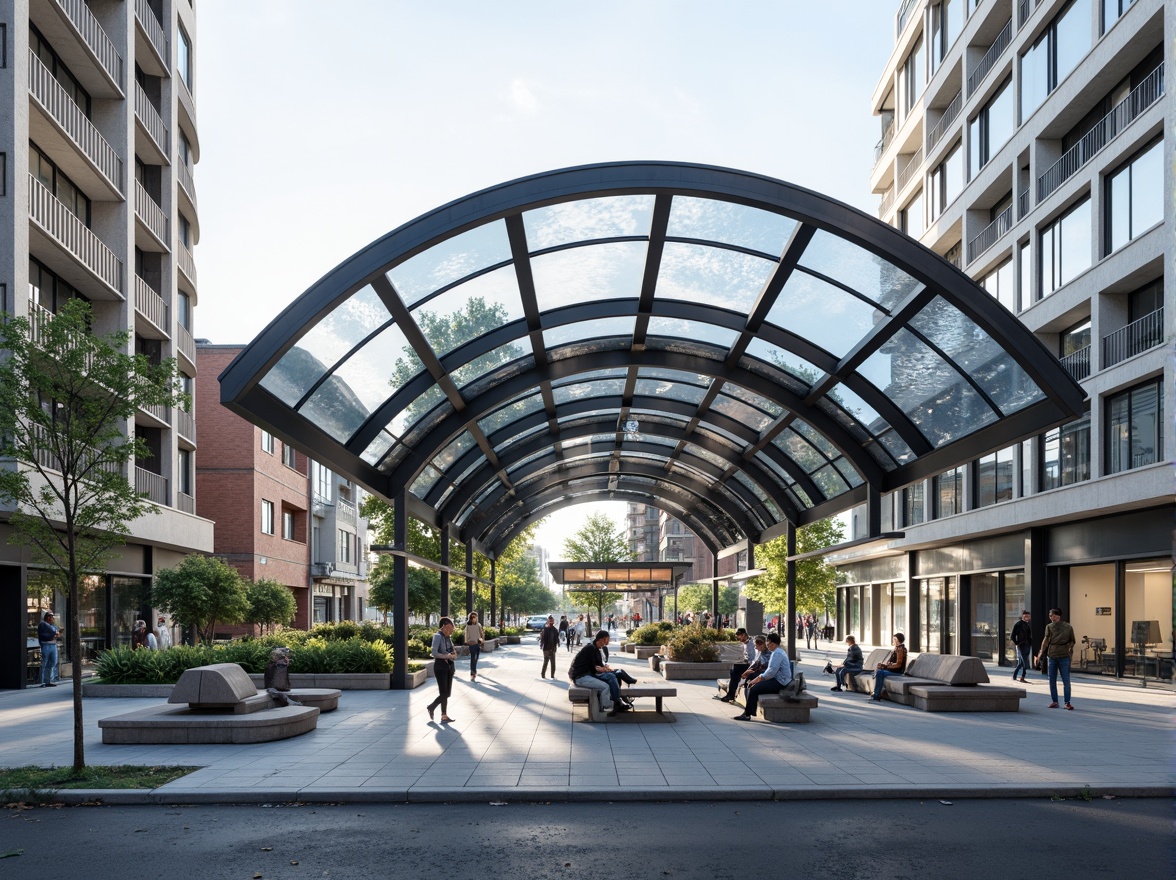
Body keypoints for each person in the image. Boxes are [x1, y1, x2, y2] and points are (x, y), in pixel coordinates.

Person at [735, 632, 791, 720]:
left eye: (768, 642)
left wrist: (758, 679)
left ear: (772, 643)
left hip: (779, 682)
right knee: (753, 686)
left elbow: (771, 671)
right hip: (778, 680)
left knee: (754, 689)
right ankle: (749, 712)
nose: (767, 645)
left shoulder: (777, 653)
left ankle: (747, 714)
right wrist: (759, 678)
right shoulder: (778, 651)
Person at [569, 630, 624, 716]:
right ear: (601, 639)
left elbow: (598, 665)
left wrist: (605, 668)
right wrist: (602, 669)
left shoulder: (597, 649)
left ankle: (617, 701)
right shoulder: (590, 648)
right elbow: (593, 667)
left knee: (613, 675)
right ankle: (608, 707)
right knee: (605, 686)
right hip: (581, 677)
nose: (608, 641)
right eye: (607, 639)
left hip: (589, 674)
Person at [1035, 608, 1075, 710]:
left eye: (1052, 615)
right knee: (1058, 680)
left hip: (1059, 656)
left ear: (1057, 616)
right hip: (1055, 655)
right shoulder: (1051, 627)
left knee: (1059, 680)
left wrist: (1068, 648)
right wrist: (1040, 653)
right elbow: (1046, 640)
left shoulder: (1066, 627)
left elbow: (1046, 641)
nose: (1050, 617)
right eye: (1050, 615)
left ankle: (1063, 702)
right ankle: (1060, 702)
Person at [427, 617, 458, 723]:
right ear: (444, 626)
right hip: (440, 667)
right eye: (451, 627)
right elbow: (434, 653)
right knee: (443, 692)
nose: (452, 629)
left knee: (447, 693)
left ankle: (443, 715)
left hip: (449, 666)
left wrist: (453, 655)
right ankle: (432, 707)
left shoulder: (448, 638)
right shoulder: (437, 636)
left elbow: (451, 651)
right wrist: (446, 656)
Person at [716, 628, 755, 703]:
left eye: (739, 636)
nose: (738, 638)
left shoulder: (751, 644)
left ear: (744, 635)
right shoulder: (743, 644)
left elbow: (753, 658)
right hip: (745, 663)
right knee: (734, 669)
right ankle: (731, 694)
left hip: (752, 666)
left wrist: (746, 661)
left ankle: (731, 694)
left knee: (735, 670)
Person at [870, 633, 908, 702]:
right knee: (878, 671)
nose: (893, 641)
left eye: (894, 639)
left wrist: (887, 666)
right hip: (893, 670)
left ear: (898, 640)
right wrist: (883, 665)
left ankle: (877, 694)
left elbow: (898, 664)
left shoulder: (901, 649)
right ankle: (877, 693)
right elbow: (890, 662)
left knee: (880, 672)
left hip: (898, 671)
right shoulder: (896, 649)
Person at [38, 611, 60, 687]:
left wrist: (55, 634)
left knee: (53, 662)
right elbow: (54, 632)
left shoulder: (53, 626)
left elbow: (57, 634)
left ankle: (49, 680)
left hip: (53, 645)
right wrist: (54, 634)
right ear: (47, 618)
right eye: (51, 617)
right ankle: (42, 681)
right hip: (46, 645)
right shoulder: (43, 624)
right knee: (44, 662)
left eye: (52, 617)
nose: (52, 619)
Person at [1010, 610, 1032, 683]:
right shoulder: (1018, 624)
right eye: (1026, 616)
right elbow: (1012, 636)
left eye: (1028, 616)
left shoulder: (1028, 624)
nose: (1027, 618)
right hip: (1021, 645)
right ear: (1023, 616)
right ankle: (1022, 677)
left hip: (1027, 645)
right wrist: (1017, 643)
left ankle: (1014, 675)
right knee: (1024, 662)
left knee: (1021, 662)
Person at [464, 612, 484, 681]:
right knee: (473, 658)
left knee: (476, 658)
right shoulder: (468, 626)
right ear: (470, 618)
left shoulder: (478, 625)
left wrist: (482, 640)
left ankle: (474, 670)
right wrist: (467, 642)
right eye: (473, 617)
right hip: (471, 644)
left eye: (475, 617)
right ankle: (473, 673)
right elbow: (466, 634)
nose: (474, 618)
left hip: (478, 643)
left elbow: (481, 633)